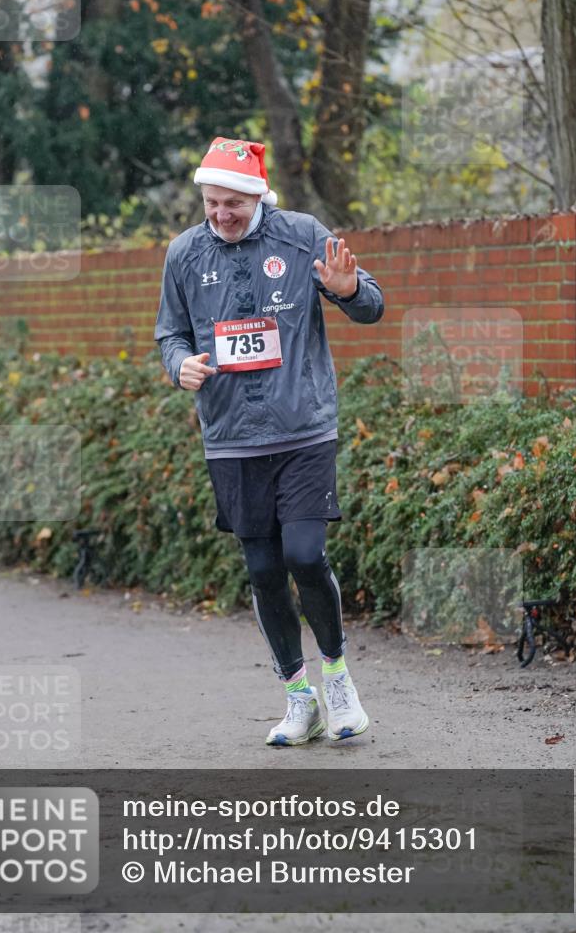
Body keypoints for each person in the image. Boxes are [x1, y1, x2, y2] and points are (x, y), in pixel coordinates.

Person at [155, 137, 384, 746]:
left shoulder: (303, 235)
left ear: (258, 196)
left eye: (233, 202)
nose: (221, 214)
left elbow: (372, 306)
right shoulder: (183, 254)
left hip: (304, 428)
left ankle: (338, 682)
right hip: (230, 437)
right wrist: (179, 365)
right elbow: (170, 335)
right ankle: (298, 697)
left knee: (305, 555)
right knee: (262, 570)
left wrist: (345, 287)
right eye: (211, 203)